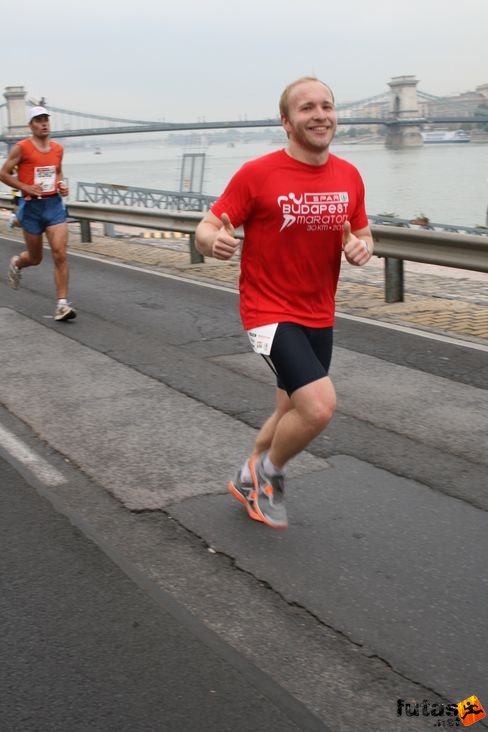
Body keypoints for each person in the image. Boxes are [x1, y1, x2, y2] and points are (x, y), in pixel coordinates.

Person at [195, 77, 374, 529]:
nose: (320, 115)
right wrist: (212, 241)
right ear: (286, 120)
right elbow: (207, 227)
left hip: (319, 311)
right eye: (307, 108)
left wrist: (363, 248)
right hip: (265, 311)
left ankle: (245, 474)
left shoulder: (349, 175)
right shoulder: (258, 174)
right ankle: (268, 475)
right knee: (318, 407)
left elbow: (362, 232)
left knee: (289, 409)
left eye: (327, 106)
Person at [0, 106, 76, 321]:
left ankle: (62, 304)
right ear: (31, 125)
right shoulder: (21, 148)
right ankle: (17, 263)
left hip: (53, 206)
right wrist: (25, 187)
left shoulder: (57, 149)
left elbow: (57, 170)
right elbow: (3, 174)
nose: (44, 123)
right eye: (38, 120)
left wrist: (61, 185)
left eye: (46, 119)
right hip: (32, 208)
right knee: (35, 258)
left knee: (60, 253)